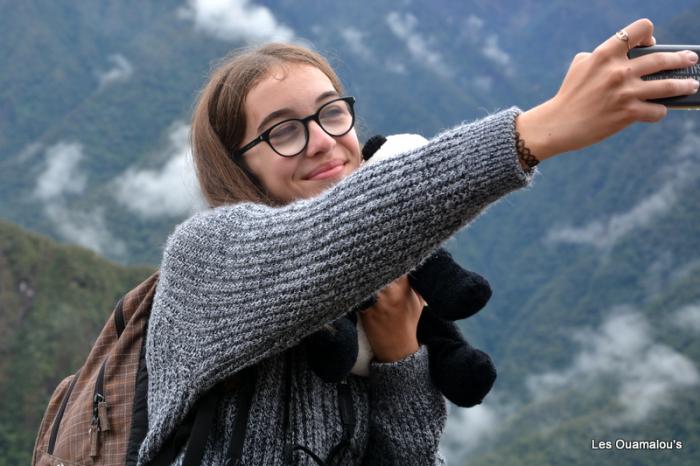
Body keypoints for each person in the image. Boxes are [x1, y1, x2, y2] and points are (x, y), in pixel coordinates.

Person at [137, 18, 699, 465]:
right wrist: (538, 131)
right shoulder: (205, 257)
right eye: (283, 130)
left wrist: (400, 354)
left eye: (332, 113)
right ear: (235, 165)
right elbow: (337, 235)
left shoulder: (380, 274)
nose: (322, 142)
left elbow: (408, 458)